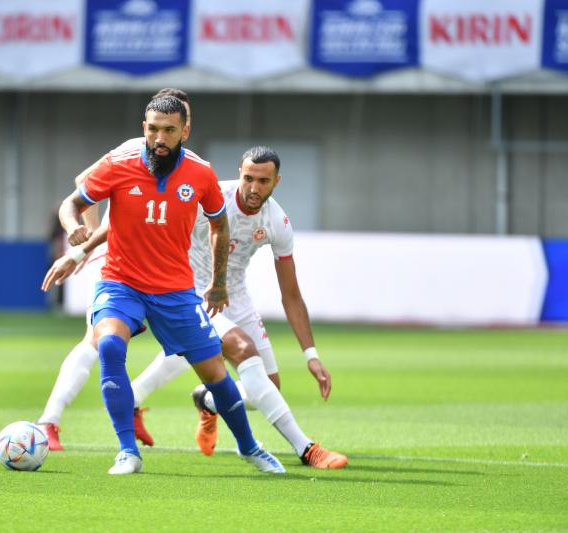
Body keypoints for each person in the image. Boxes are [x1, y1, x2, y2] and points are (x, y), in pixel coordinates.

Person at [47, 146, 347, 470]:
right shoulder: (209, 193)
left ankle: (205, 400)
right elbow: (118, 210)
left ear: (277, 182)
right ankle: (306, 449)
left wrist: (311, 355)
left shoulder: (277, 221)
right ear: (239, 173)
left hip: (233, 293)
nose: (253, 187)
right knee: (242, 350)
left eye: (263, 181)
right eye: (248, 178)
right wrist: (80, 252)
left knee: (266, 387)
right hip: (189, 287)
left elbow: (291, 294)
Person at [46, 96, 284, 475]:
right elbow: (71, 202)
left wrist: (218, 282)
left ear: (184, 132)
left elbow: (219, 226)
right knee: (108, 344)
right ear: (144, 127)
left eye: (169, 130)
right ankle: (127, 451)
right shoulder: (119, 164)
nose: (160, 137)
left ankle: (249, 446)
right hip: (121, 281)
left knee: (214, 372)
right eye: (153, 129)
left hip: (175, 289)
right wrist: (74, 229)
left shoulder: (200, 173)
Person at [37, 89, 191, 451]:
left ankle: (133, 399)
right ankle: (48, 421)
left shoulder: (187, 163)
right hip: (120, 262)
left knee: (192, 347)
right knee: (96, 340)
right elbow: (83, 181)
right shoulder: (135, 149)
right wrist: (90, 241)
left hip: (165, 267)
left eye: (180, 121)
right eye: (160, 124)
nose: (167, 132)